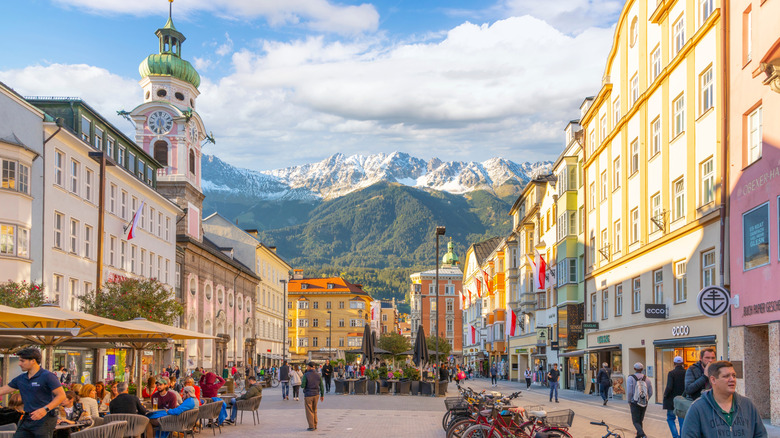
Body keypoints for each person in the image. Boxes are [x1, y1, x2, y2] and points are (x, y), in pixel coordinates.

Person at [681, 361, 766, 438]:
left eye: (734, 375)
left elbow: (760, 434)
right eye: (726, 376)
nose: (732, 379)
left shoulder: (747, 405)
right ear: (713, 380)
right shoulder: (697, 408)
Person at [0, 347, 67, 438]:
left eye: (22, 361)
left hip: (45, 419)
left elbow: (61, 395)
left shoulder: (47, 376)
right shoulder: (21, 379)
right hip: (27, 419)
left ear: (33, 361)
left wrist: (45, 409)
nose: (19, 364)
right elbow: (2, 390)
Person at [626, 362, 653, 438]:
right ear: (642, 369)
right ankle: (638, 436)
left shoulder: (630, 378)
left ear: (634, 369)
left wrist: (629, 401)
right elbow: (650, 392)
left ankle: (643, 435)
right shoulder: (647, 378)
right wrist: (646, 399)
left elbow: (630, 391)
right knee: (640, 420)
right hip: (644, 402)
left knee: (635, 421)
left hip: (634, 402)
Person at [663, 356, 687, 438]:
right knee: (682, 420)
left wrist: (665, 394)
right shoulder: (686, 372)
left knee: (670, 418)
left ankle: (675, 436)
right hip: (683, 401)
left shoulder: (671, 373)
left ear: (674, 364)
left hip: (672, 401)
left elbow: (669, 387)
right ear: (682, 363)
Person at [301, 362, 324, 431]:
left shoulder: (306, 375)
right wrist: (322, 395)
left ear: (310, 367)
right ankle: (315, 424)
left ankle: (311, 426)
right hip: (316, 394)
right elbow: (322, 386)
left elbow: (303, 385)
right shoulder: (318, 375)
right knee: (315, 409)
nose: (306, 367)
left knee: (309, 410)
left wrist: (302, 384)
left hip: (308, 394)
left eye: (307, 366)